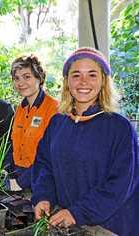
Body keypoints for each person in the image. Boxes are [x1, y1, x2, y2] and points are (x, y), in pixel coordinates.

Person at [32, 47, 139, 235]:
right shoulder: (58, 123)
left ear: (103, 81)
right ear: (67, 82)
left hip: (112, 225)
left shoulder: (119, 127)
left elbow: (121, 183)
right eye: (76, 75)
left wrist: (78, 212)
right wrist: (43, 197)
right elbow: (44, 165)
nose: (83, 82)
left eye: (92, 75)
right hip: (71, 223)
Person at [3, 55, 58, 191]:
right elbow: (12, 145)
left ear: (39, 78)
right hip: (19, 177)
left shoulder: (54, 109)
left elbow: (51, 156)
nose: (20, 83)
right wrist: (6, 172)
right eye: (16, 78)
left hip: (43, 181)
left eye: (27, 77)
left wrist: (21, 183)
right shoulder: (20, 109)